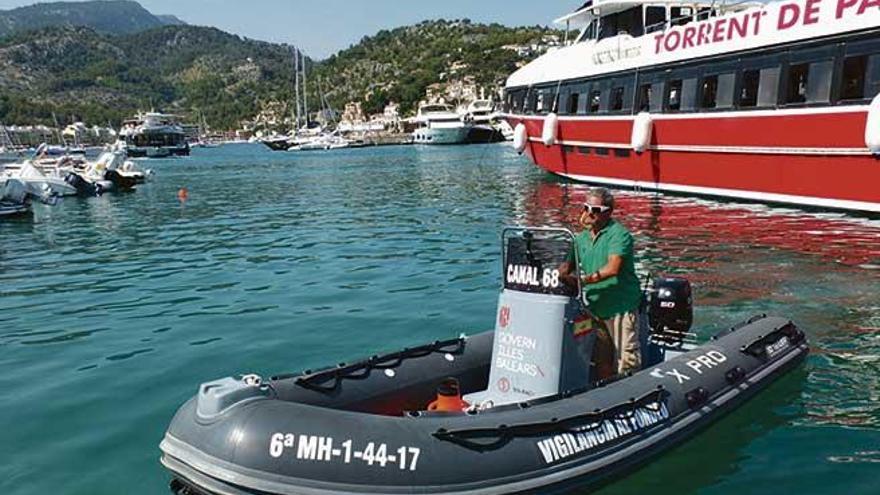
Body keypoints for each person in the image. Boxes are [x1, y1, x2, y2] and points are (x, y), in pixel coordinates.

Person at [560, 188, 642, 376]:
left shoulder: (618, 234)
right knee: (601, 359)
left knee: (626, 361)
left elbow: (613, 268)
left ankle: (630, 394)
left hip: (621, 306)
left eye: (595, 210)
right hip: (596, 306)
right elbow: (567, 265)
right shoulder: (580, 239)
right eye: (586, 208)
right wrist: (560, 272)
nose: (589, 213)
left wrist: (583, 281)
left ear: (608, 211)